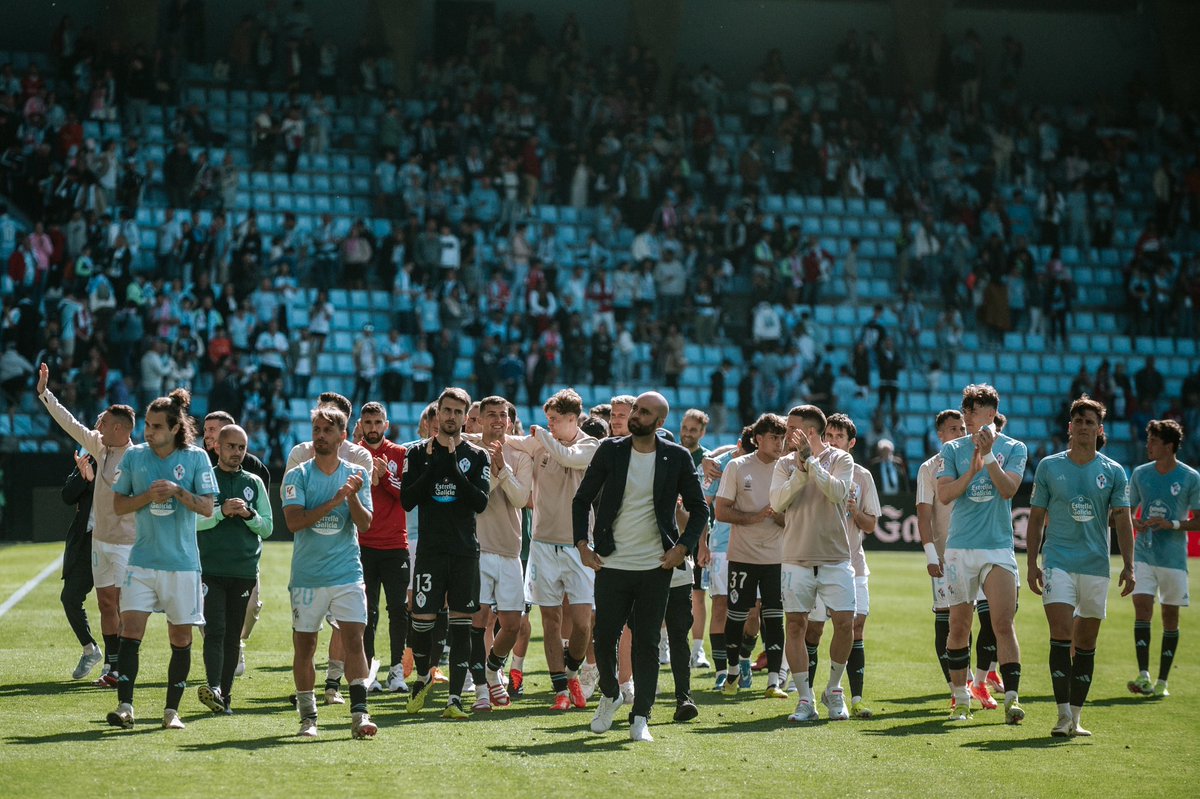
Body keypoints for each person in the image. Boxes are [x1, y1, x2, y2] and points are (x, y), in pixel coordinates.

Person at [577, 392, 708, 742]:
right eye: (635, 409)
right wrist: (582, 545)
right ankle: (610, 694)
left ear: (660, 422)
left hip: (655, 566)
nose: (636, 415)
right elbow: (582, 498)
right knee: (603, 638)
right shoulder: (610, 450)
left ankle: (641, 717)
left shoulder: (677, 458)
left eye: (644, 412)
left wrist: (682, 548)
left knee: (648, 643)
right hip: (611, 562)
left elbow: (700, 509)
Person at [109, 389, 218, 730]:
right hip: (141, 561)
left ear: (174, 428)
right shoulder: (134, 457)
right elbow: (119, 506)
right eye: (147, 424)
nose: (148, 431)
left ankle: (171, 712)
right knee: (130, 632)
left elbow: (207, 506)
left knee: (181, 638)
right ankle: (126, 707)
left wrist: (177, 491)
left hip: (182, 564)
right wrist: (146, 495)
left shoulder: (197, 458)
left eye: (156, 426)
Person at [1026, 396, 1134, 737]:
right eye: (1079, 421)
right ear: (1069, 427)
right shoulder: (1048, 466)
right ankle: (1061, 716)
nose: (1084, 427)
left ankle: (1076, 716)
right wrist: (1031, 563)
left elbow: (1123, 520)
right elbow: (1036, 519)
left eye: (1090, 422)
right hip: (1057, 561)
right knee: (1061, 634)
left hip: (1095, 566)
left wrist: (1129, 566)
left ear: (1099, 430)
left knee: (1086, 642)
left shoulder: (1114, 471)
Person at [37, 363, 136, 686]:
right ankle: (111, 667)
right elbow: (72, 424)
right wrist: (45, 394)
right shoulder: (98, 446)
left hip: (126, 543)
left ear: (120, 429)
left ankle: (122, 668)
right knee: (106, 602)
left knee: (122, 605)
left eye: (104, 423)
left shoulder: (138, 458)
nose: (98, 427)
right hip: (98, 541)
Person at [282, 406, 376, 739]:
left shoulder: (356, 474)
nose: (320, 435)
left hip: (347, 572)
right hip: (308, 576)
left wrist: (350, 498)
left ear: (342, 436)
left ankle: (359, 715)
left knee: (354, 641)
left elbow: (365, 524)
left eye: (326, 430)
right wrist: (337, 499)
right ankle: (308, 718)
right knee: (305, 647)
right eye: (316, 429)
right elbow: (294, 522)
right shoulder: (297, 475)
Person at [937, 384, 1027, 724]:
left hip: (997, 547)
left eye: (984, 414)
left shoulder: (1015, 448)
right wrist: (971, 473)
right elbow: (945, 495)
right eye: (971, 414)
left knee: (1003, 622)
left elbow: (1007, 490)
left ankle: (1012, 700)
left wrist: (988, 458)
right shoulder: (952, 451)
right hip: (960, 548)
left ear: (993, 414)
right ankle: (961, 699)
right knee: (959, 625)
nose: (976, 420)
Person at [401, 387, 491, 720]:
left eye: (458, 412)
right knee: (422, 620)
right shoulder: (415, 454)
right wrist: (433, 467)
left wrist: (452, 468)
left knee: (461, 624)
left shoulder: (479, 456)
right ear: (437, 414)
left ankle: (454, 698)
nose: (451, 417)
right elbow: (407, 500)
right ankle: (424, 676)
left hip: (464, 551)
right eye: (446, 410)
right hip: (430, 551)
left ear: (466, 418)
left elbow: (480, 503)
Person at [507, 388, 600, 710]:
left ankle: (572, 671)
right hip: (544, 545)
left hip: (578, 545)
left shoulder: (590, 445)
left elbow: (568, 458)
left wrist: (543, 437)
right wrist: (473, 433)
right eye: (548, 419)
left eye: (555, 419)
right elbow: (508, 440)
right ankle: (561, 689)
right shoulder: (542, 441)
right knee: (550, 619)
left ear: (573, 419)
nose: (549, 424)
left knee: (584, 621)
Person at [769, 405, 856, 722]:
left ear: (808, 431)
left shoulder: (842, 459)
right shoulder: (783, 464)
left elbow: (837, 493)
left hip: (835, 557)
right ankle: (805, 698)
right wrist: (801, 471)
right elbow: (776, 503)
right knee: (794, 625)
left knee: (845, 622)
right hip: (796, 557)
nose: (784, 433)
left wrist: (813, 463)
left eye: (790, 428)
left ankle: (834, 690)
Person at [804, 413, 880, 719]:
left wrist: (855, 512)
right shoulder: (813, 469)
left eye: (838, 437)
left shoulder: (861, 476)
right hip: (817, 562)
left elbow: (871, 523)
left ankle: (851, 695)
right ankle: (807, 696)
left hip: (853, 563)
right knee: (814, 630)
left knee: (854, 626)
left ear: (851, 443)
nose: (833, 441)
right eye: (829, 436)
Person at [195, 424, 273, 715]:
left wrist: (248, 514)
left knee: (232, 636)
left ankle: (224, 696)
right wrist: (220, 512)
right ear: (217, 447)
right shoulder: (205, 480)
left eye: (242, 447)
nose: (237, 452)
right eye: (231, 446)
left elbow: (267, 527)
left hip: (243, 570)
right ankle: (214, 686)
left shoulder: (254, 482)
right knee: (215, 630)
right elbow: (191, 521)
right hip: (210, 568)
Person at [716, 413, 788, 698]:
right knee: (736, 616)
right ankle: (732, 672)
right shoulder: (737, 467)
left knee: (774, 618)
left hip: (777, 557)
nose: (779, 443)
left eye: (782, 438)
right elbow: (721, 511)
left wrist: (783, 518)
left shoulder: (788, 470)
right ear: (758, 439)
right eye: (773, 437)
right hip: (743, 555)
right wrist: (756, 516)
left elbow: (793, 517)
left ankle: (773, 681)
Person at [1127, 419, 1200, 698]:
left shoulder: (1190, 477)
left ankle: (1162, 681)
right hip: (1143, 552)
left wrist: (1174, 524)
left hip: (1173, 558)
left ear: (1168, 447)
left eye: (1154, 441)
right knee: (1142, 608)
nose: (1148, 445)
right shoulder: (1140, 474)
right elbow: (1128, 511)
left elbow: (1198, 520)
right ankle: (1143, 674)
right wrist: (1135, 522)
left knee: (1170, 616)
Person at [469, 396, 532, 711]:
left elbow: (521, 499)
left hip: (510, 549)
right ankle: (482, 686)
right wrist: (493, 472)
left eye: (502, 415)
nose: (497, 420)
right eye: (490, 415)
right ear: (479, 419)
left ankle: (493, 668)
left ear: (510, 420)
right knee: (478, 620)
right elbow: (475, 498)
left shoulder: (519, 454)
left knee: (512, 624)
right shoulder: (468, 451)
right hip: (478, 547)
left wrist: (501, 468)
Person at [356, 402, 411, 694]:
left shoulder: (400, 454)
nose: (373, 428)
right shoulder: (353, 454)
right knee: (367, 612)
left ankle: (396, 672)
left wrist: (385, 479)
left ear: (386, 424)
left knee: (399, 610)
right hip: (362, 545)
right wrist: (369, 479)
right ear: (361, 425)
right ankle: (368, 673)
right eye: (368, 422)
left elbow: (408, 497)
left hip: (394, 544)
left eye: (378, 422)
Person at [61, 450, 102, 680]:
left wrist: (94, 481)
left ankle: (115, 666)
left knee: (115, 604)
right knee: (70, 597)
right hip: (86, 541)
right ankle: (90, 649)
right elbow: (67, 496)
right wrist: (82, 475)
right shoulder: (88, 460)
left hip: (116, 540)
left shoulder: (127, 458)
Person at [678, 409, 712, 669]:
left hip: (697, 535)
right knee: (666, 594)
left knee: (698, 595)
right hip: (668, 535)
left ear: (702, 433)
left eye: (693, 430)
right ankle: (665, 645)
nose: (687, 433)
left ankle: (697, 650)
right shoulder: (669, 453)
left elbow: (703, 506)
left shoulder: (707, 461)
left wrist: (703, 543)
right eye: (685, 428)